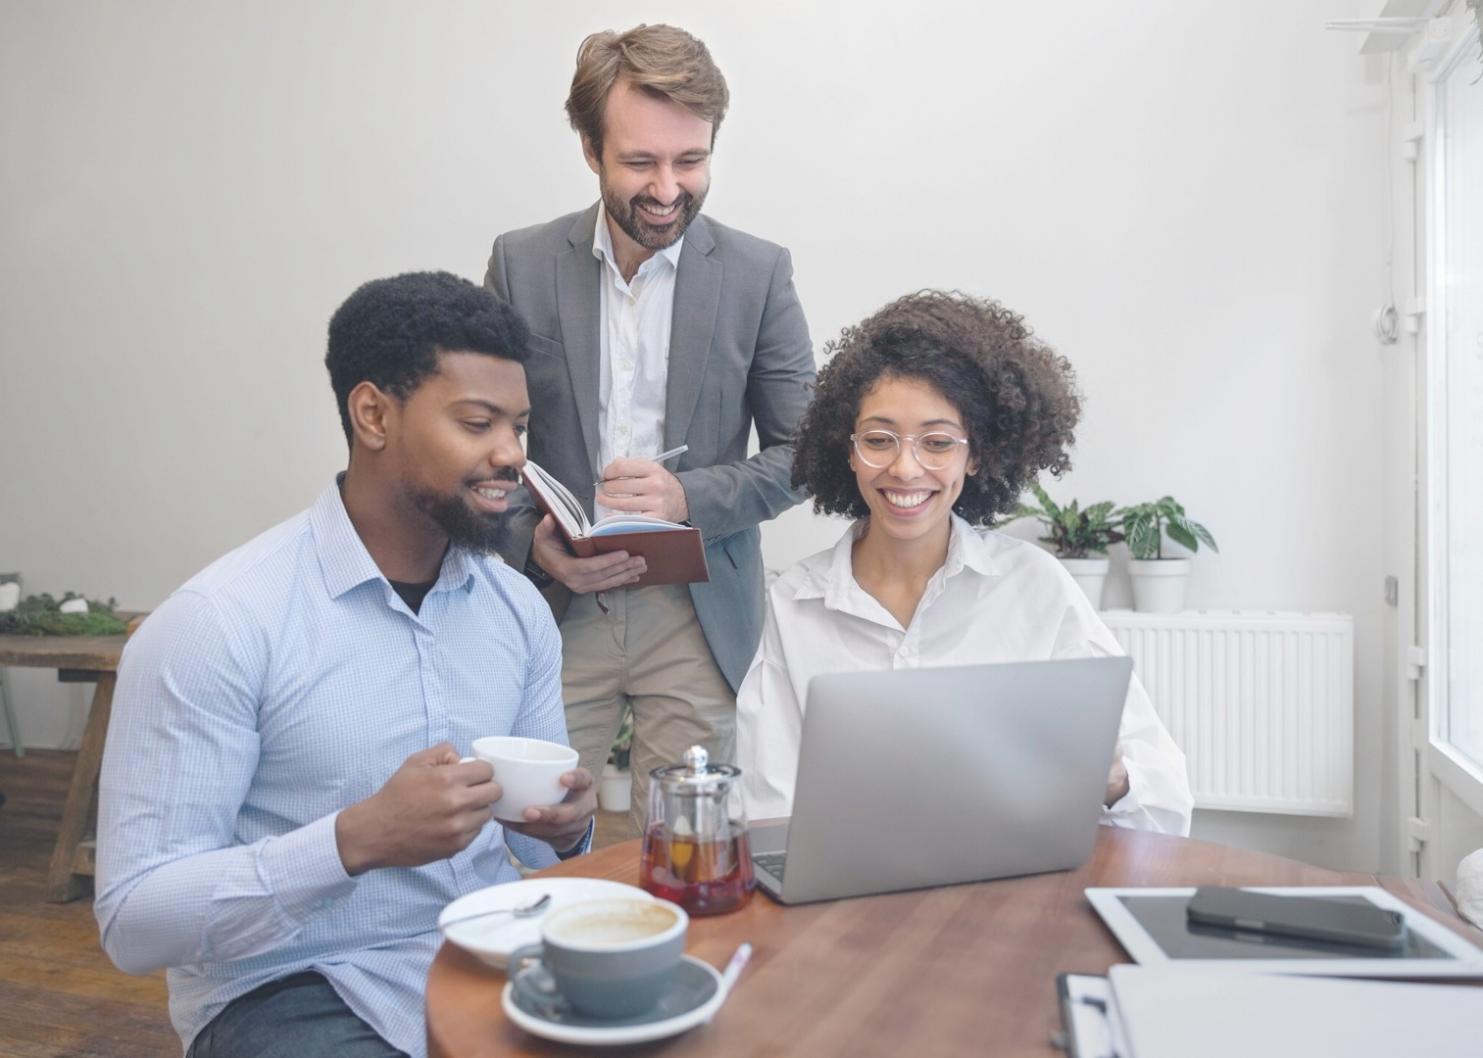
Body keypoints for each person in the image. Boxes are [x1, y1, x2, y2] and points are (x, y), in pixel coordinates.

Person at [94, 272, 598, 1058]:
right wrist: (354, 839)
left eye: (519, 427)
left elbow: (538, 850)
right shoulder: (217, 623)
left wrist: (567, 827)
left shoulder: (516, 609)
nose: (512, 456)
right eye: (477, 423)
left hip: (495, 960)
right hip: (294, 988)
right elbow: (134, 920)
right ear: (373, 414)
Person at [485, 24, 815, 834]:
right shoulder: (519, 264)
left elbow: (805, 452)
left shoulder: (757, 272)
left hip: (696, 611)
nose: (668, 188)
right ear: (591, 149)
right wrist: (530, 538)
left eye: (690, 161)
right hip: (553, 606)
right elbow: (475, 438)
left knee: (692, 850)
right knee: (523, 840)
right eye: (640, 162)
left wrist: (685, 495)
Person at [736, 291, 1194, 835]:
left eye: (937, 442)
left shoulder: (1035, 588)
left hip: (1008, 893)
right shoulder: (794, 606)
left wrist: (1108, 777)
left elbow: (1165, 807)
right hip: (845, 903)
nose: (906, 468)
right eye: (879, 440)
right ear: (849, 451)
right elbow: (766, 816)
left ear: (976, 455)